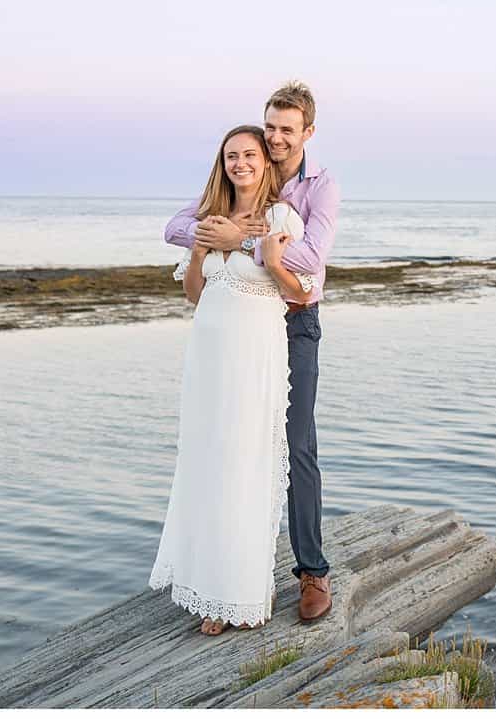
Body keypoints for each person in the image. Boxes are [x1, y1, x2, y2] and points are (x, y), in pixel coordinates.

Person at [163, 81, 341, 623]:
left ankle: (311, 570)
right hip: (236, 334)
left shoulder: (319, 187)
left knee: (297, 443)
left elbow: (308, 260)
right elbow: (176, 228)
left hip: (293, 322)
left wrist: (234, 241)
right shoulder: (242, 178)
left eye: (288, 129)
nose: (278, 138)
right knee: (231, 446)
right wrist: (217, 233)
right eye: (272, 128)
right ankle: (225, 575)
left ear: (307, 132)